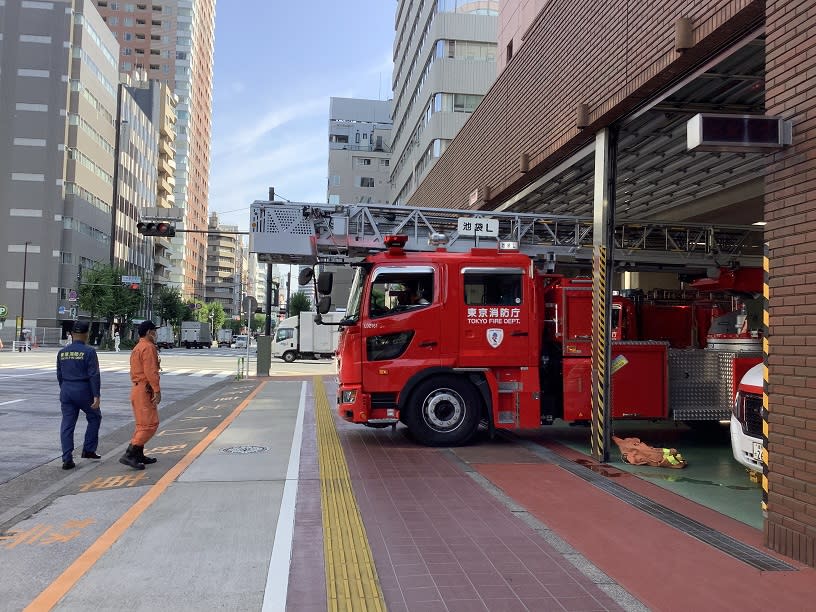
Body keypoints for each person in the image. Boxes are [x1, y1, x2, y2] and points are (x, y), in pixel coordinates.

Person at [56, 321, 102, 470]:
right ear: (86, 334)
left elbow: (59, 374)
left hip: (67, 389)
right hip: (83, 390)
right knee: (95, 417)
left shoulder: (62, 352)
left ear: (72, 334)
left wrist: (64, 388)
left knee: (67, 424)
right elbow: (93, 375)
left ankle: (67, 458)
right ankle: (89, 449)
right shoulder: (89, 352)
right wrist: (96, 395)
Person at [120, 320, 161, 470]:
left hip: (137, 389)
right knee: (150, 424)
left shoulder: (138, 347)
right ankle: (130, 453)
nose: (156, 334)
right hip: (145, 389)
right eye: (154, 331)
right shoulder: (148, 347)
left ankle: (138, 454)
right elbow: (151, 371)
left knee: (141, 424)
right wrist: (157, 390)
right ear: (149, 332)